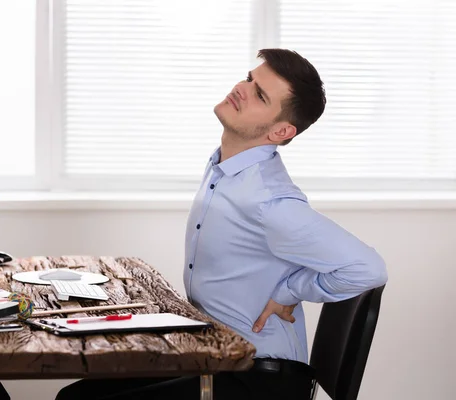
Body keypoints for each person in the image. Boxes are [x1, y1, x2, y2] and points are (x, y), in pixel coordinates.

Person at [56, 48, 388, 400]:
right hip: (218, 357)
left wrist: (288, 292)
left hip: (258, 378)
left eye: (259, 95)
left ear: (281, 131)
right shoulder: (225, 168)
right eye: (249, 79)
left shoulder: (269, 201)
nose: (241, 89)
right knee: (77, 395)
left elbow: (369, 269)